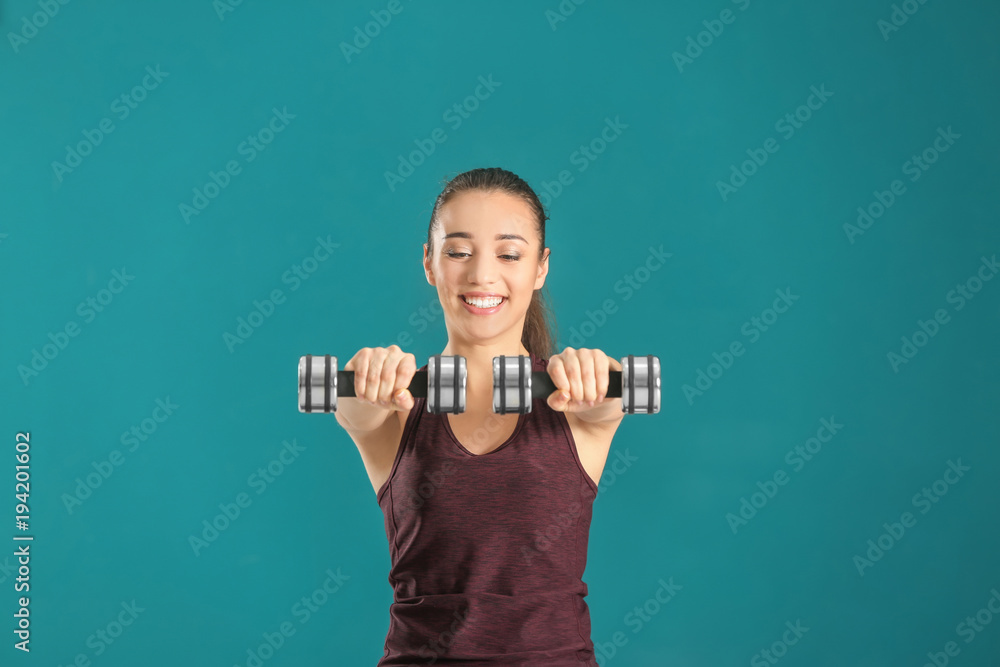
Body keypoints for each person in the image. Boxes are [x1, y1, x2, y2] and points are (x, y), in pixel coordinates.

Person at [335, 167, 626, 665]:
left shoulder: (577, 405)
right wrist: (364, 379)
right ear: (429, 263)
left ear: (540, 267)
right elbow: (353, 409)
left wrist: (599, 375)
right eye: (458, 252)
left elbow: (610, 398)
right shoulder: (394, 407)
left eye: (509, 254)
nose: (482, 275)